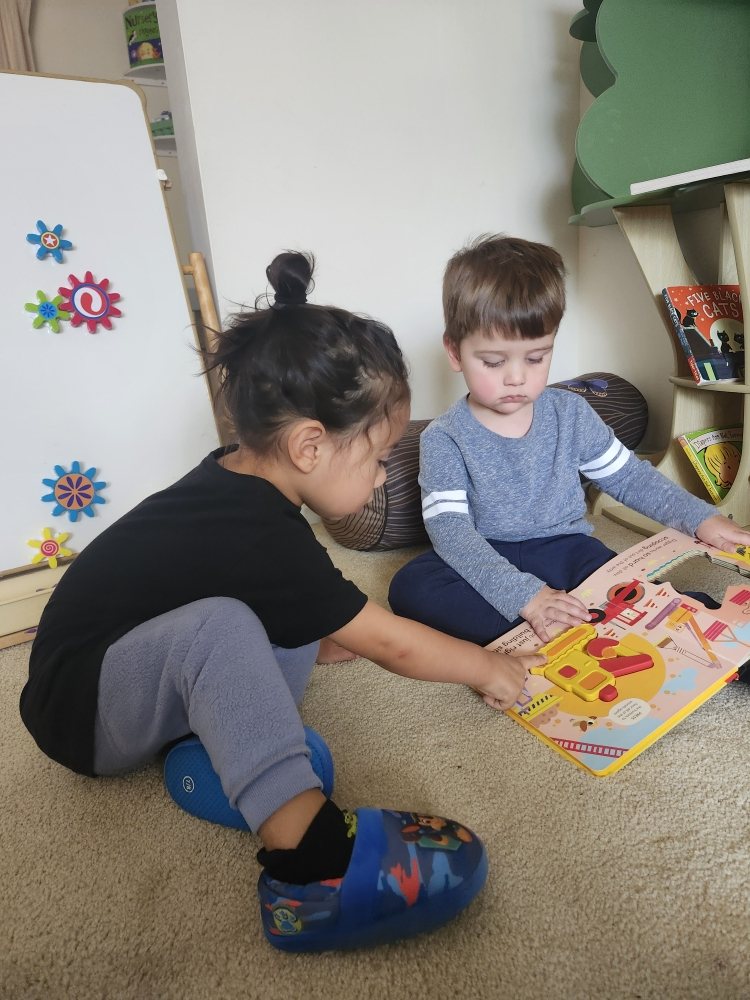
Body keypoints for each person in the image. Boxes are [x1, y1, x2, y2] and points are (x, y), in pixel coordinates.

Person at [19, 250, 544, 954]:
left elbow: (282, 601)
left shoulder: (237, 488)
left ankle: (224, 756)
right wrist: (484, 667)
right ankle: (308, 864)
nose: (382, 477)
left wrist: (318, 636)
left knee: (285, 622)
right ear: (308, 447)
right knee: (225, 625)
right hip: (78, 705)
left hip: (129, 672)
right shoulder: (259, 532)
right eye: (376, 458)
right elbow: (388, 640)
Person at [388, 233, 750, 648]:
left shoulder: (571, 413)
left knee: (633, 593)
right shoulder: (444, 438)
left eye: (536, 357)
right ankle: (557, 630)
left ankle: (714, 636)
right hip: (488, 553)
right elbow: (452, 534)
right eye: (492, 362)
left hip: (567, 549)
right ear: (454, 353)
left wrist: (701, 518)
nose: (516, 377)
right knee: (410, 587)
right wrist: (525, 596)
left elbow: (632, 479)